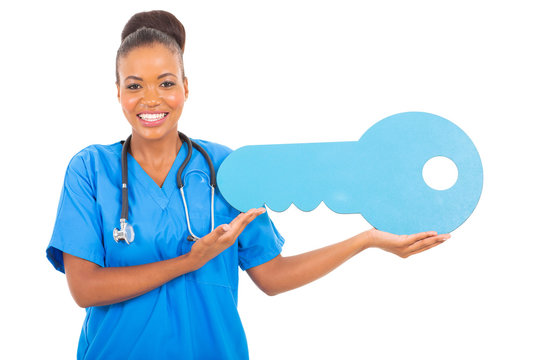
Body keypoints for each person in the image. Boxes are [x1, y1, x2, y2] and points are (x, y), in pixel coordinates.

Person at [46, 10, 451, 360]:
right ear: (118, 92)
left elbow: (271, 276)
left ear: (186, 88)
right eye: (134, 85)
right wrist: (191, 260)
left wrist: (366, 240)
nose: (151, 98)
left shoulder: (226, 168)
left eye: (166, 83)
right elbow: (85, 288)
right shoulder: (90, 170)